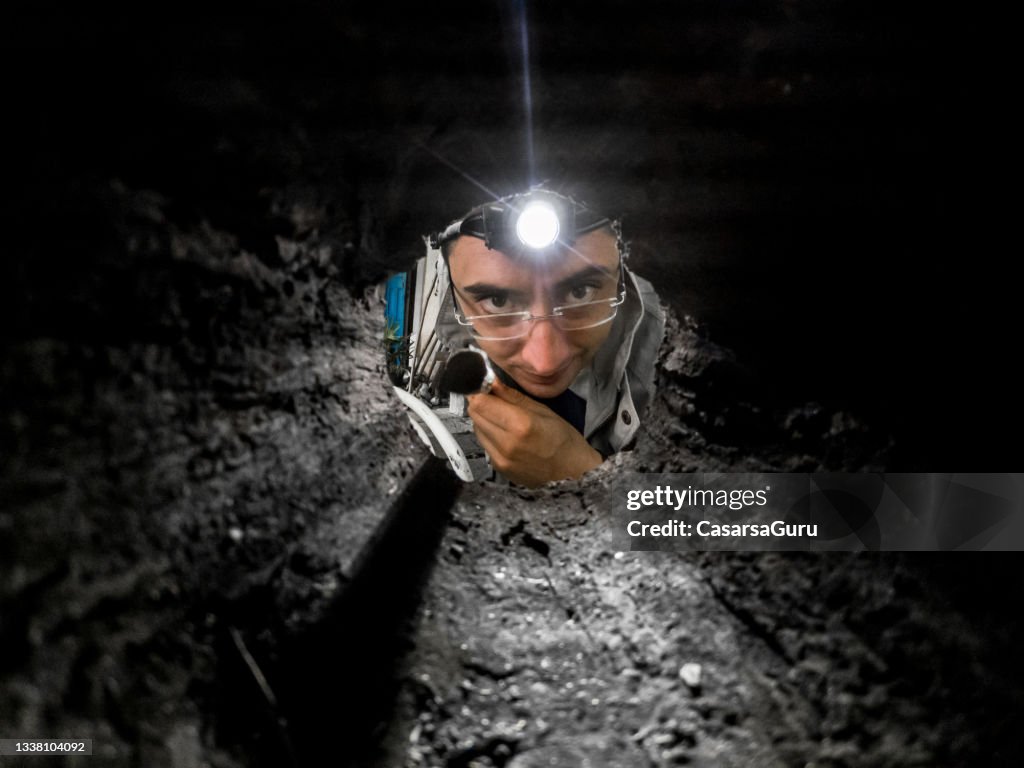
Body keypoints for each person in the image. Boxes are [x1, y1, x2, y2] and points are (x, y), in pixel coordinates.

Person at [426, 187, 665, 487]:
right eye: (498, 301)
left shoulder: (679, 353)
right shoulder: (461, 328)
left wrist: (586, 477)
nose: (545, 363)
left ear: (620, 276)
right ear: (454, 294)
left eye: (581, 292)